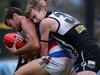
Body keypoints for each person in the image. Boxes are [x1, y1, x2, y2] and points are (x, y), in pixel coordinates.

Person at [25, 0, 100, 75]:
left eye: (34, 16)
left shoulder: (45, 23)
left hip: (87, 54)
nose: (34, 21)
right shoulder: (57, 14)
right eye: (32, 19)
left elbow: (44, 53)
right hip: (88, 52)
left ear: (42, 10)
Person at [4, 7, 75, 75]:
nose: (12, 28)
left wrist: (16, 52)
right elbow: (35, 50)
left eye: (10, 24)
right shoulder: (32, 25)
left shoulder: (25, 21)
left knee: (17, 73)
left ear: (15, 16)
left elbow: (35, 45)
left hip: (55, 58)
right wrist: (25, 54)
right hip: (66, 60)